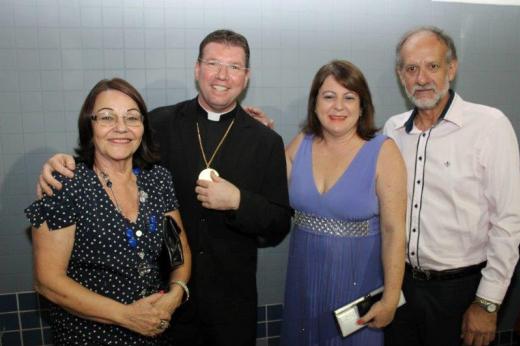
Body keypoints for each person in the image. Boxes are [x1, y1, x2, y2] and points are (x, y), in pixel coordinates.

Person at [36, 29, 292, 346]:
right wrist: (60, 163)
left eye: (234, 67)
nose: (222, 75)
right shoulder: (158, 122)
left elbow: (279, 223)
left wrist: (239, 201)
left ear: (246, 76)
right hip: (157, 299)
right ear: (197, 69)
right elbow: (109, 151)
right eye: (213, 63)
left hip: (230, 302)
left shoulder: (265, 141)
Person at [26, 78, 191, 345]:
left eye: (132, 118)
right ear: (89, 126)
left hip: (154, 333)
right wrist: (126, 316)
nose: (121, 128)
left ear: (143, 128)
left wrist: (176, 292)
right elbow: (47, 281)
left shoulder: (157, 179)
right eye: (106, 117)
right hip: (88, 336)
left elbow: (177, 249)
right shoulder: (64, 184)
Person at [383, 26, 520, 346]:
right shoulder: (393, 130)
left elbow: (509, 221)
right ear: (400, 74)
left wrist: (487, 303)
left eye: (432, 66)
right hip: (400, 287)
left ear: (452, 68)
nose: (421, 78)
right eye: (411, 68)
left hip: (461, 292)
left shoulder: (490, 126)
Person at [280, 60, 407, 345]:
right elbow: (267, 184)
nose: (338, 106)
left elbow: (394, 231)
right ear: (315, 104)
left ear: (362, 106)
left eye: (349, 97)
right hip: (303, 285)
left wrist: (390, 298)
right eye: (329, 96)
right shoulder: (302, 142)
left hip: (356, 291)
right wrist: (260, 135)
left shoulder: (383, 151)